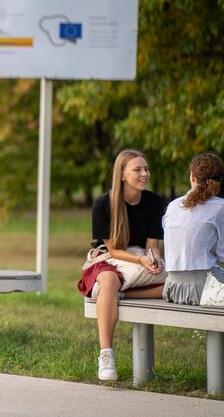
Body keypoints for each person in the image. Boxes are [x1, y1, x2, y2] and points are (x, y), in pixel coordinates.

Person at [77, 149, 164, 381]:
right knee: (109, 280)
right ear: (122, 174)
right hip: (108, 258)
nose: (144, 173)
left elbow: (152, 246)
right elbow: (114, 250)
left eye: (146, 169)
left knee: (175, 284)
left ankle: (119, 296)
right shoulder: (104, 203)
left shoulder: (155, 202)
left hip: (138, 258)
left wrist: (153, 260)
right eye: (137, 169)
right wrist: (140, 260)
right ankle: (106, 355)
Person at [162, 153, 224, 305]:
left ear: (192, 177)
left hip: (173, 288)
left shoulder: (173, 205)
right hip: (204, 289)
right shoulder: (220, 207)